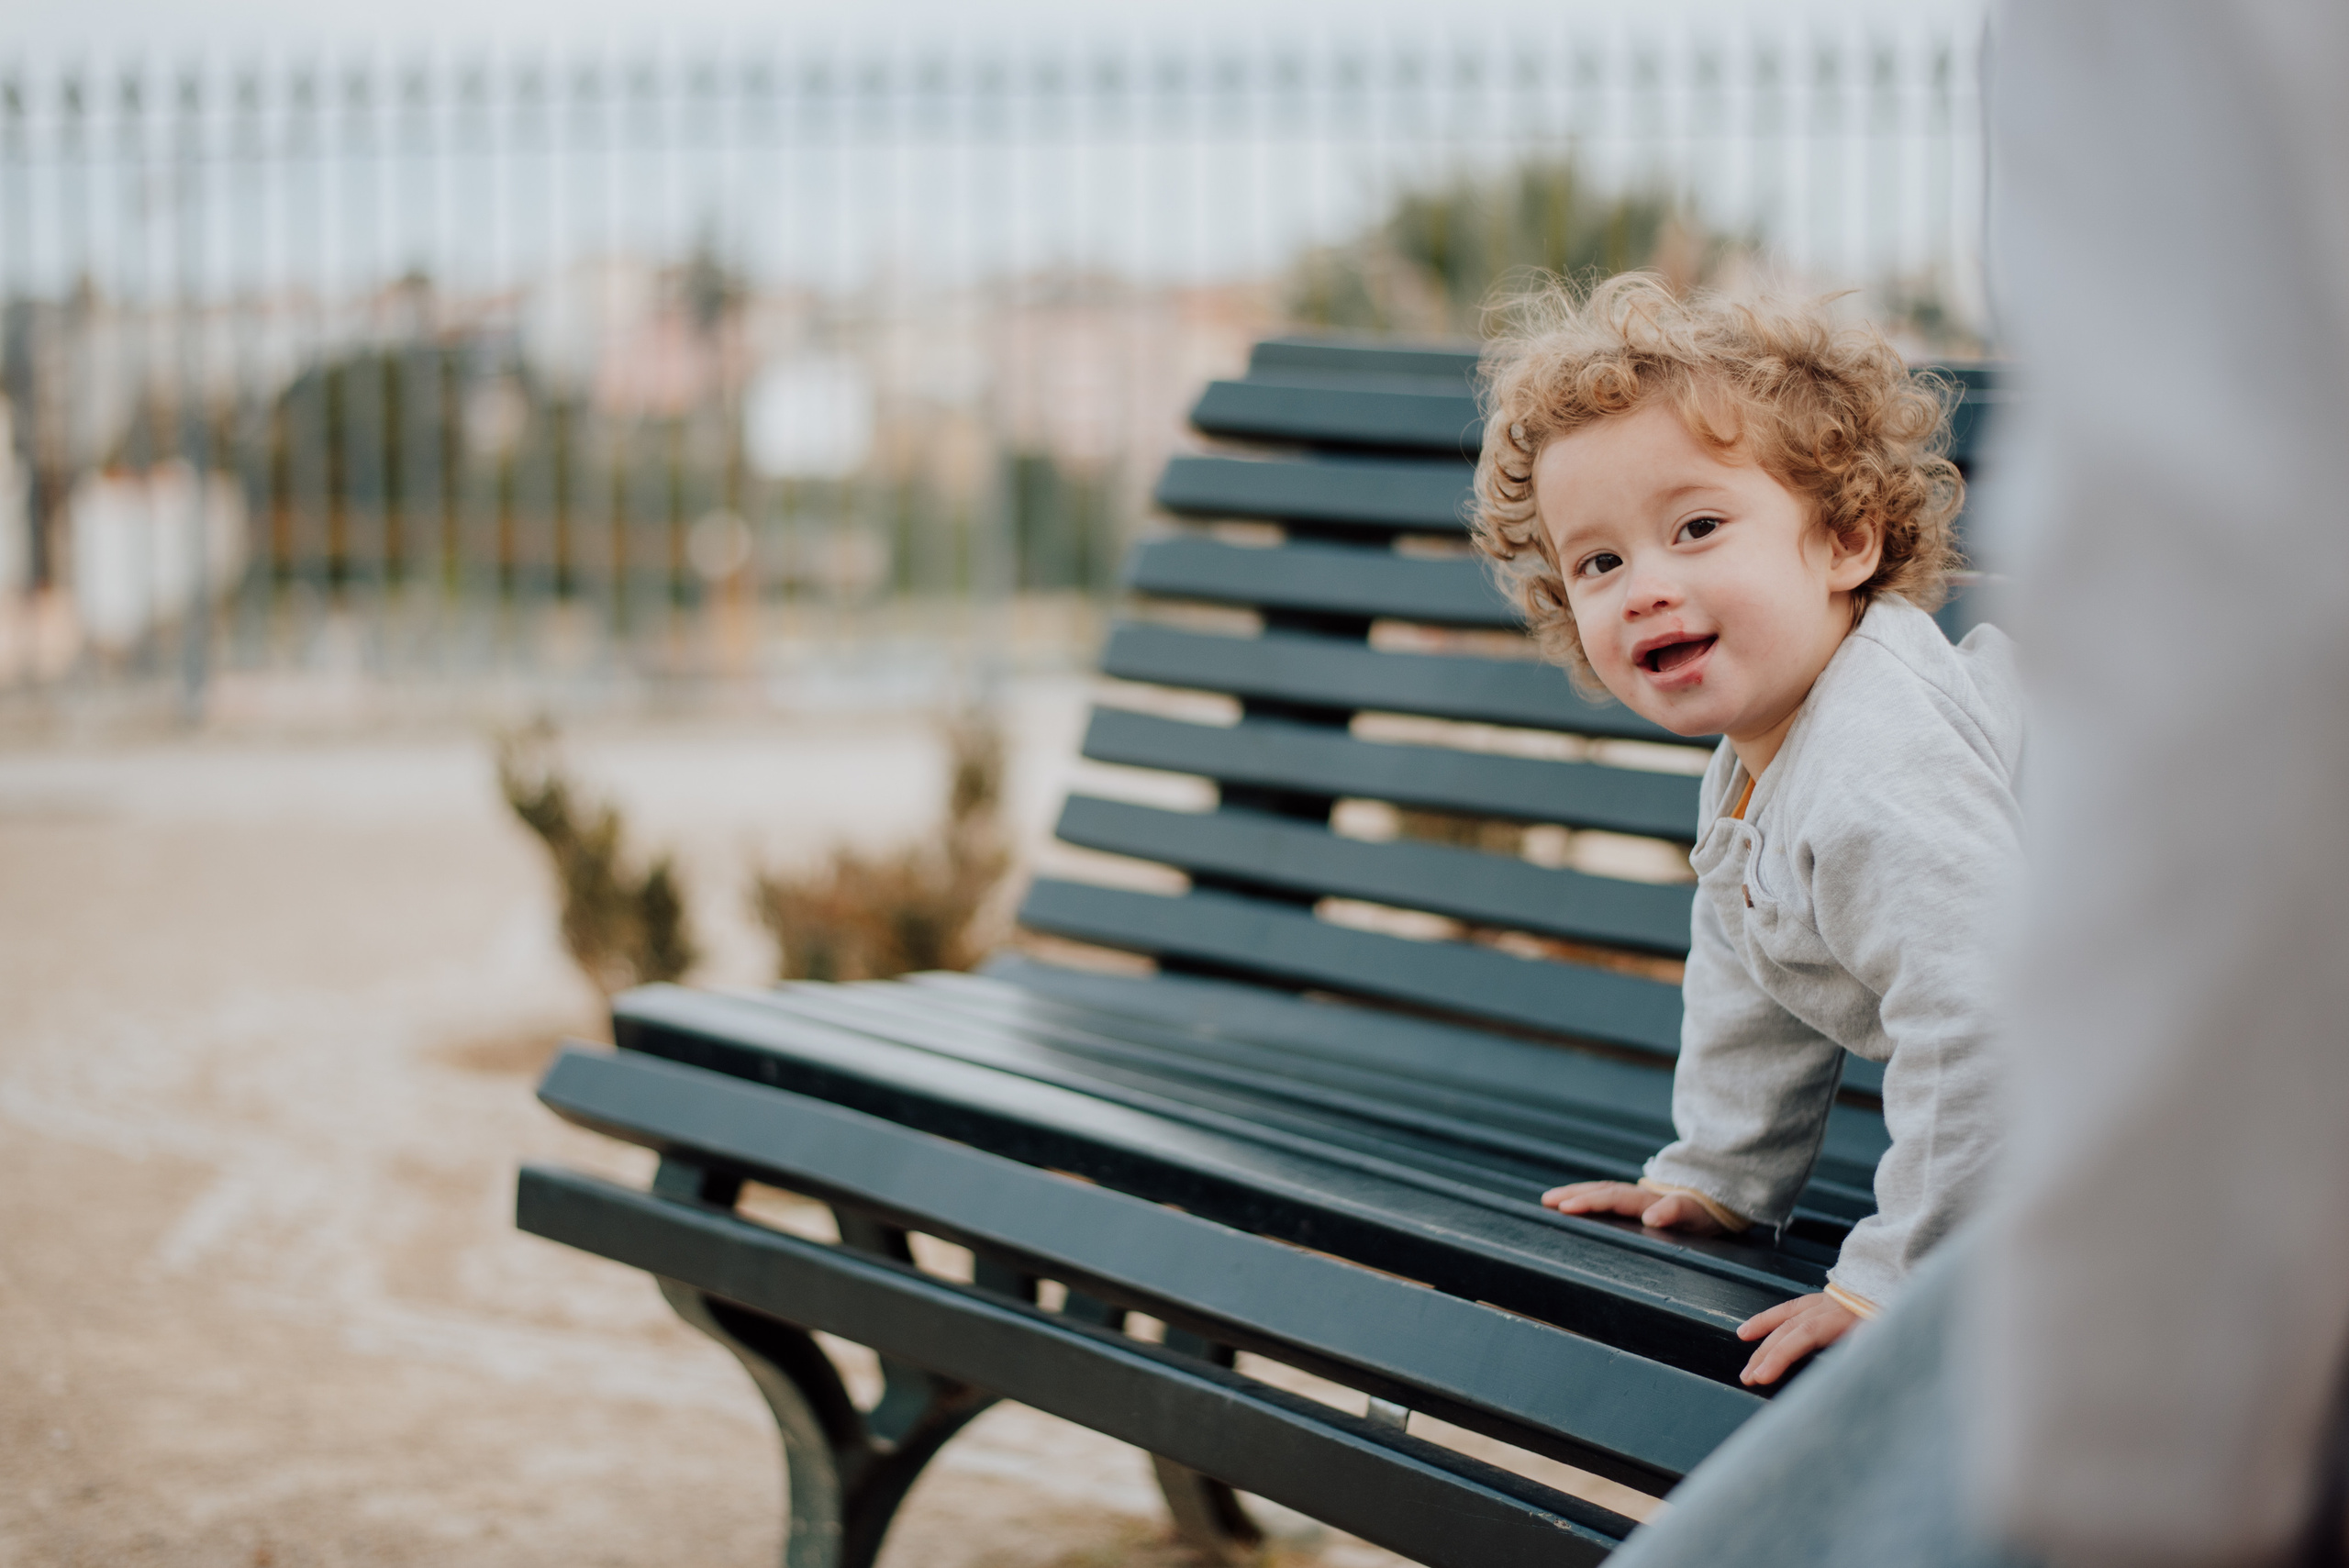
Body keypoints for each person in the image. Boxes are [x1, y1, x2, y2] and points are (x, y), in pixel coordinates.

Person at [1469, 277, 2025, 1387]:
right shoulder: (1760, 759)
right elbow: (1751, 972)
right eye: (1600, 561)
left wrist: (1890, 1277)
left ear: (1847, 539)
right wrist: (1718, 1175)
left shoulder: (1877, 757)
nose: (1645, 586)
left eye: (1697, 527)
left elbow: (1984, 1012)